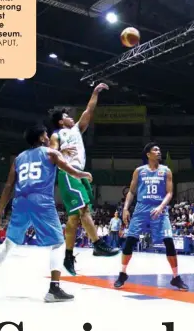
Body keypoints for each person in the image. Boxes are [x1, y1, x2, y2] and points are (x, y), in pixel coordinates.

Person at [0, 125, 93, 302]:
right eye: (45, 134)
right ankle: (54, 289)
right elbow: (69, 168)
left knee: (9, 243)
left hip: (20, 201)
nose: (48, 137)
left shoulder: (19, 158)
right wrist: (82, 173)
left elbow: (8, 186)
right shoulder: (51, 153)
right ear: (40, 138)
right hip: (41, 200)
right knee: (58, 244)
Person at [50, 83, 118, 275]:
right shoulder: (57, 134)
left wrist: (95, 92)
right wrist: (60, 150)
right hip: (69, 173)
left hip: (79, 174)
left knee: (73, 218)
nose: (70, 117)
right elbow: (51, 152)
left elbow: (89, 110)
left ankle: (68, 256)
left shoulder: (77, 130)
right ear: (61, 122)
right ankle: (98, 244)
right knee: (83, 209)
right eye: (66, 116)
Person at [113, 143, 188, 291]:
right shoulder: (139, 171)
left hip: (159, 210)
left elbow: (169, 193)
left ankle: (176, 277)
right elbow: (131, 192)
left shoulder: (166, 171)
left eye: (159, 149)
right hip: (141, 209)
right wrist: (126, 208)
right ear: (148, 154)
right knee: (130, 241)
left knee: (169, 242)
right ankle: (122, 274)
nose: (159, 151)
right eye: (155, 150)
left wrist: (161, 207)